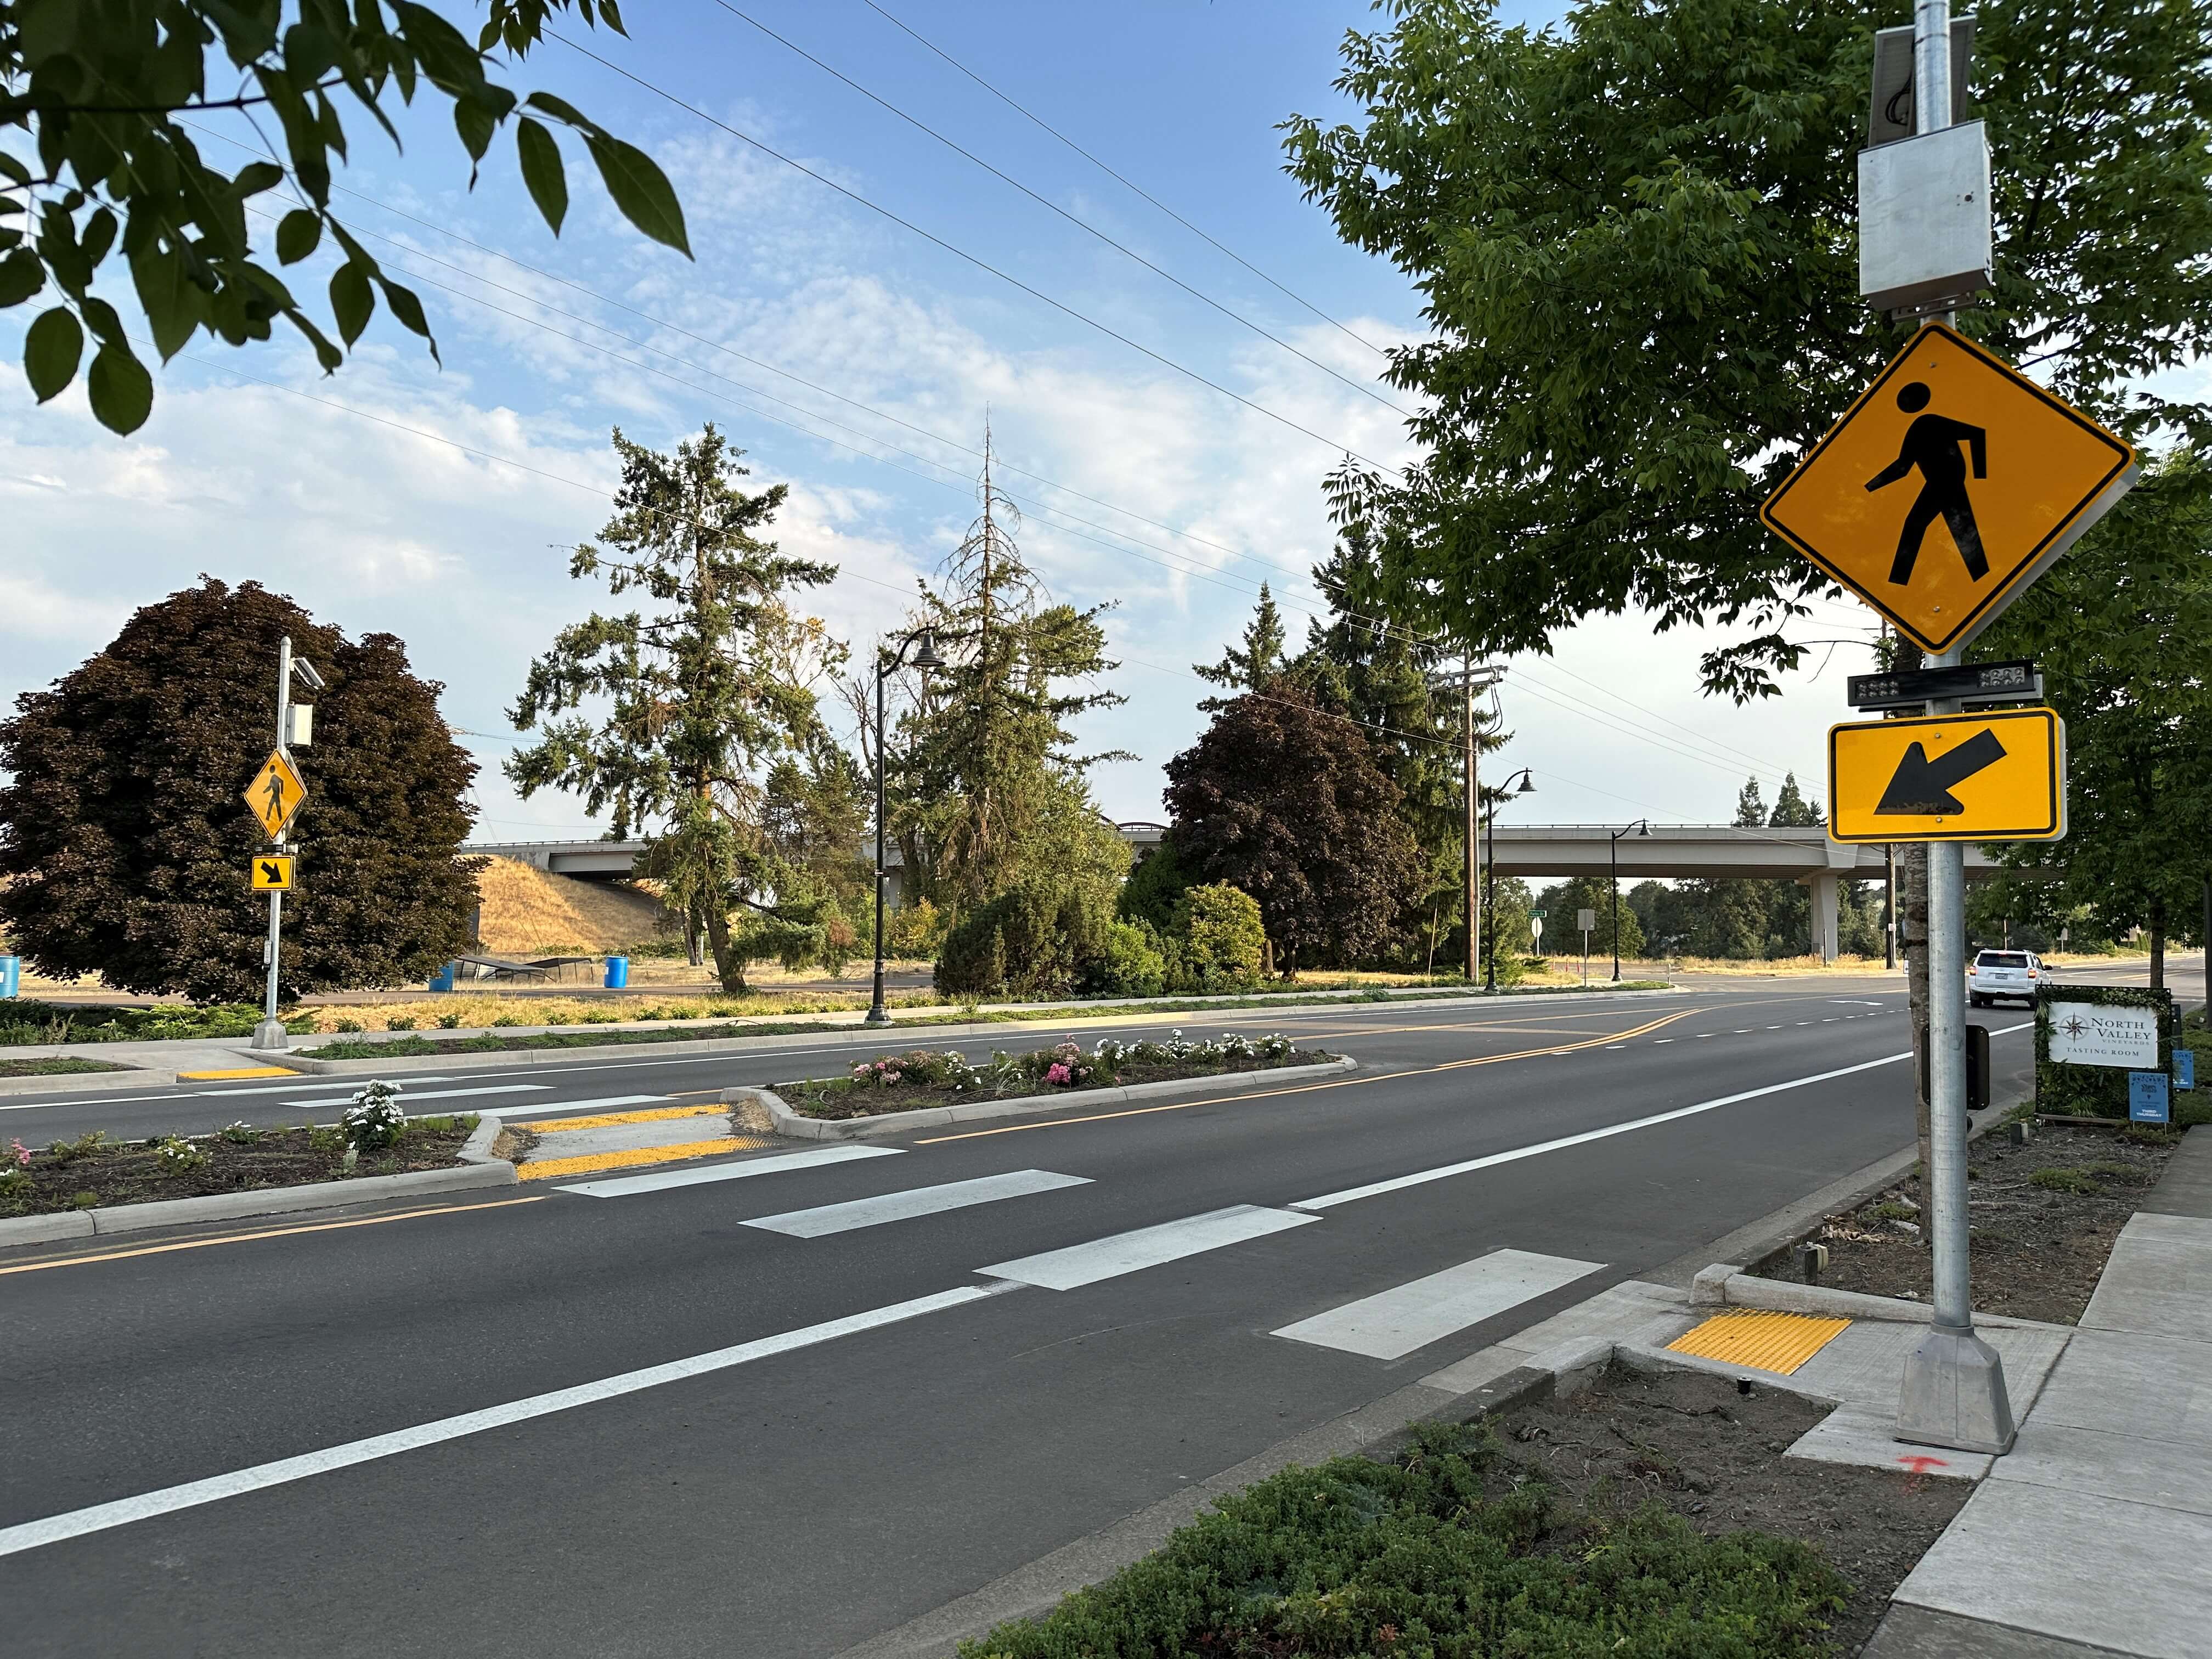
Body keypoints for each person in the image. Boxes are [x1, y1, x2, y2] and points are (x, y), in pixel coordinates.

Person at [1865, 381, 1989, 585]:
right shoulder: (1918, 427)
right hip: (1942, 481)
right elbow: (1903, 468)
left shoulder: (1929, 423)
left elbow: (1977, 434)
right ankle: (1983, 577)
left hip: (1946, 480)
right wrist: (1870, 486)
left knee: (1916, 524)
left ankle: (1898, 582)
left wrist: (1981, 476)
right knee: (1962, 530)